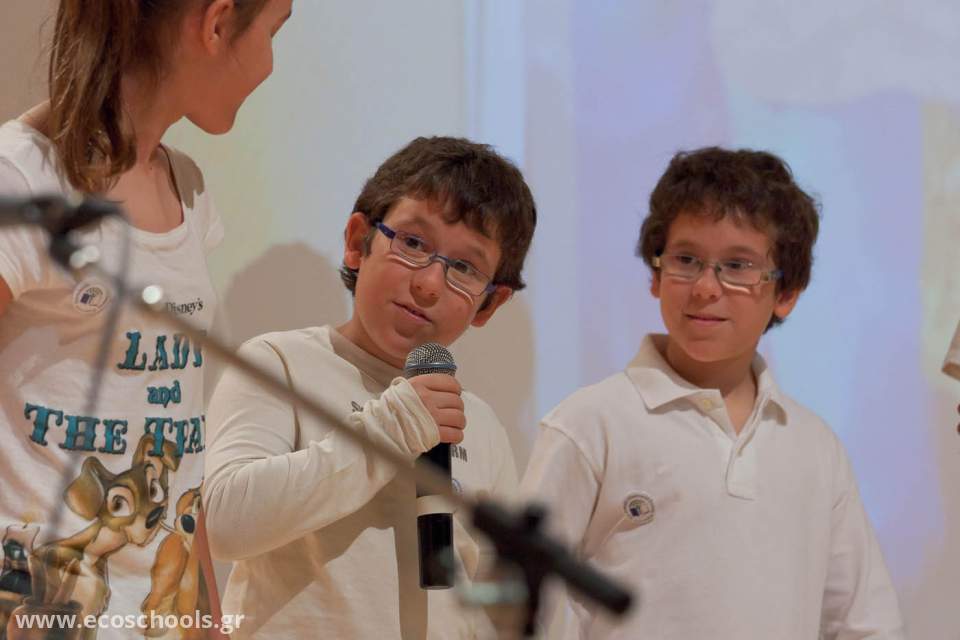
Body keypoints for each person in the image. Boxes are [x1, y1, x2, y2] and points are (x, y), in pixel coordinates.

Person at [520, 147, 905, 638]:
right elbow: (520, 597)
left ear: (786, 294)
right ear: (656, 275)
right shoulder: (591, 424)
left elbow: (864, 623)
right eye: (686, 260)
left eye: (738, 266)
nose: (705, 287)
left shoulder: (814, 446)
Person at [0, 1, 292, 637]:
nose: (271, 63)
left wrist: (208, 621)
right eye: (274, 31)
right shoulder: (20, 177)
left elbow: (184, 442)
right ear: (217, 23)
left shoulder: (188, 187)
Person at [202, 136, 537, 638]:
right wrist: (394, 427)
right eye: (414, 244)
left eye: (465, 268)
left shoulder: (481, 425)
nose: (428, 284)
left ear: (489, 304)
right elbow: (224, 524)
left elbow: (496, 600)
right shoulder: (278, 365)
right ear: (359, 241)